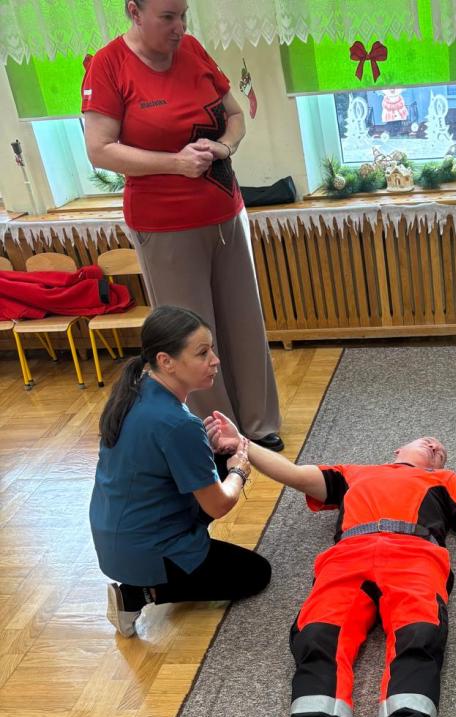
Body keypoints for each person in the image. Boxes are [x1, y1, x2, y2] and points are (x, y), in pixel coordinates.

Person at [206, 420, 456, 717]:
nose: (434, 444)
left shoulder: (445, 478)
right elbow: (294, 475)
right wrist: (241, 444)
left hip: (414, 555)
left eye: (440, 449)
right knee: (316, 635)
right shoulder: (353, 473)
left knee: (419, 634)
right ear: (397, 450)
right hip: (347, 557)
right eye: (426, 439)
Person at [81, 0, 284, 451]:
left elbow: (235, 116)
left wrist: (224, 146)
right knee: (190, 337)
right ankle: (218, 436)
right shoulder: (109, 65)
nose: (180, 27)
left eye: (184, 15)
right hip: (164, 225)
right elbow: (100, 149)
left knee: (243, 321)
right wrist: (174, 163)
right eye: (168, 17)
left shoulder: (192, 49)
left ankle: (258, 424)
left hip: (224, 213)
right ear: (134, 11)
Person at [90, 306, 271, 638]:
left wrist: (207, 453)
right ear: (166, 361)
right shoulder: (178, 423)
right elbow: (219, 505)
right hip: (147, 552)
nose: (215, 360)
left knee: (218, 461)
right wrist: (240, 470)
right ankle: (138, 594)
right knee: (257, 574)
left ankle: (157, 576)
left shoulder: (136, 390)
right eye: (202, 353)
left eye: (211, 349)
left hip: (117, 538)